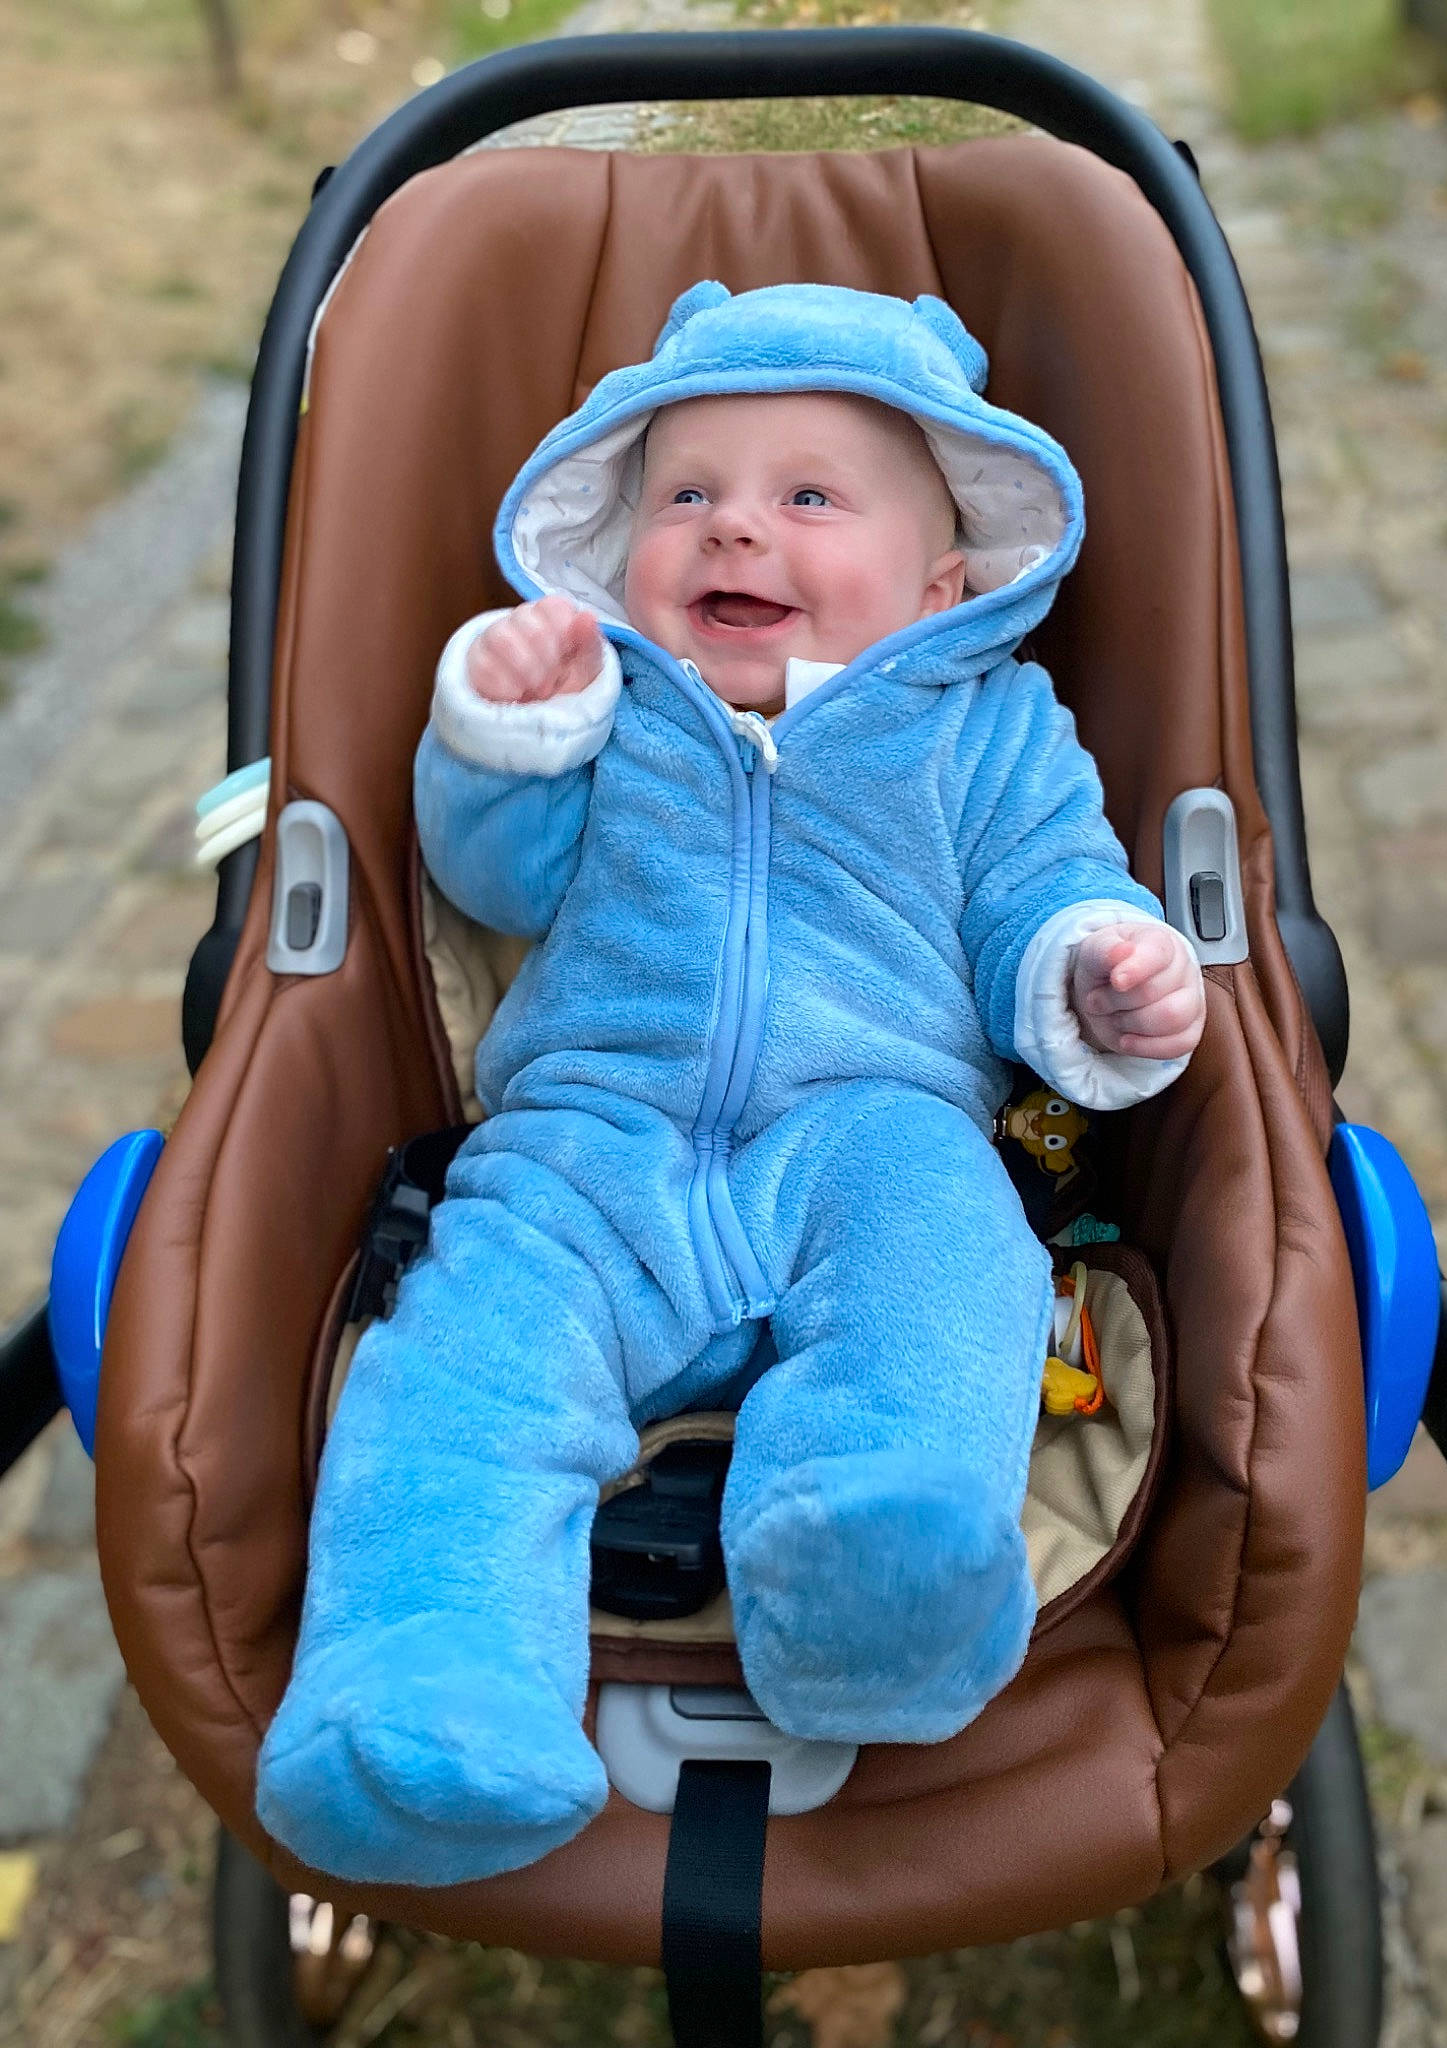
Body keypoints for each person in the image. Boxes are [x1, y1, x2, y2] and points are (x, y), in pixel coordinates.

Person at [255, 281, 1205, 1888]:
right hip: (587, 1146)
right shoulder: (616, 705)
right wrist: (509, 736)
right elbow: (491, 880)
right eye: (685, 494)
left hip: (871, 1130)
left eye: (808, 496)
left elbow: (1042, 889)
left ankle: (870, 1570)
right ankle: (424, 1683)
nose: (732, 531)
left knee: (952, 1250)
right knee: (466, 1354)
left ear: (944, 581)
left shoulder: (983, 731)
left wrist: (1098, 971)